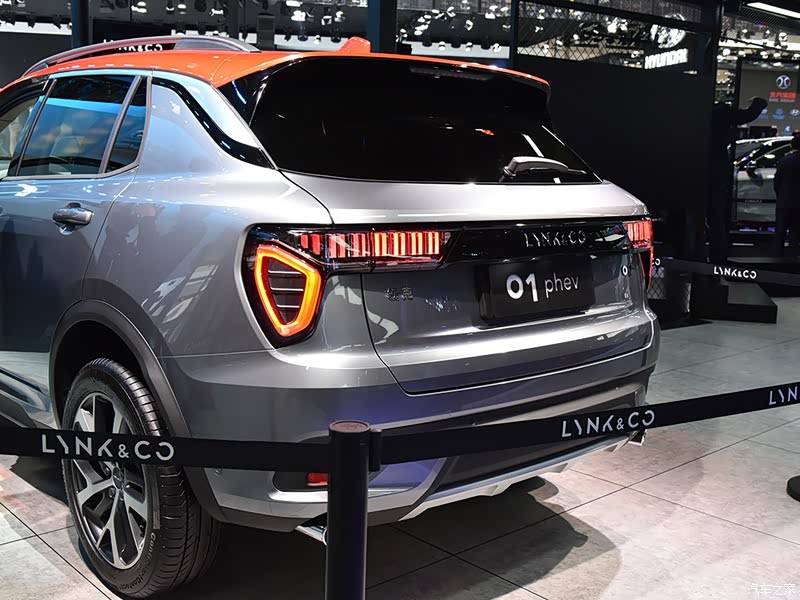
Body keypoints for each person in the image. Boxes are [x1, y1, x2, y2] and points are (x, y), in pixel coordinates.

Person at [708, 97, 768, 262]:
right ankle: (717, 254)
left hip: (702, 168)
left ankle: (694, 254)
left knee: (701, 215)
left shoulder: (703, 112)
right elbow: (748, 115)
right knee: (716, 214)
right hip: (716, 168)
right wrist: (759, 103)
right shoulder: (721, 113)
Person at [774, 134, 800, 256]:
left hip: (784, 202)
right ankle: (793, 258)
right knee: (795, 233)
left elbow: (777, 182)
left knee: (780, 231)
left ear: (791, 145)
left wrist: (780, 195)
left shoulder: (784, 160)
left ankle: (777, 257)